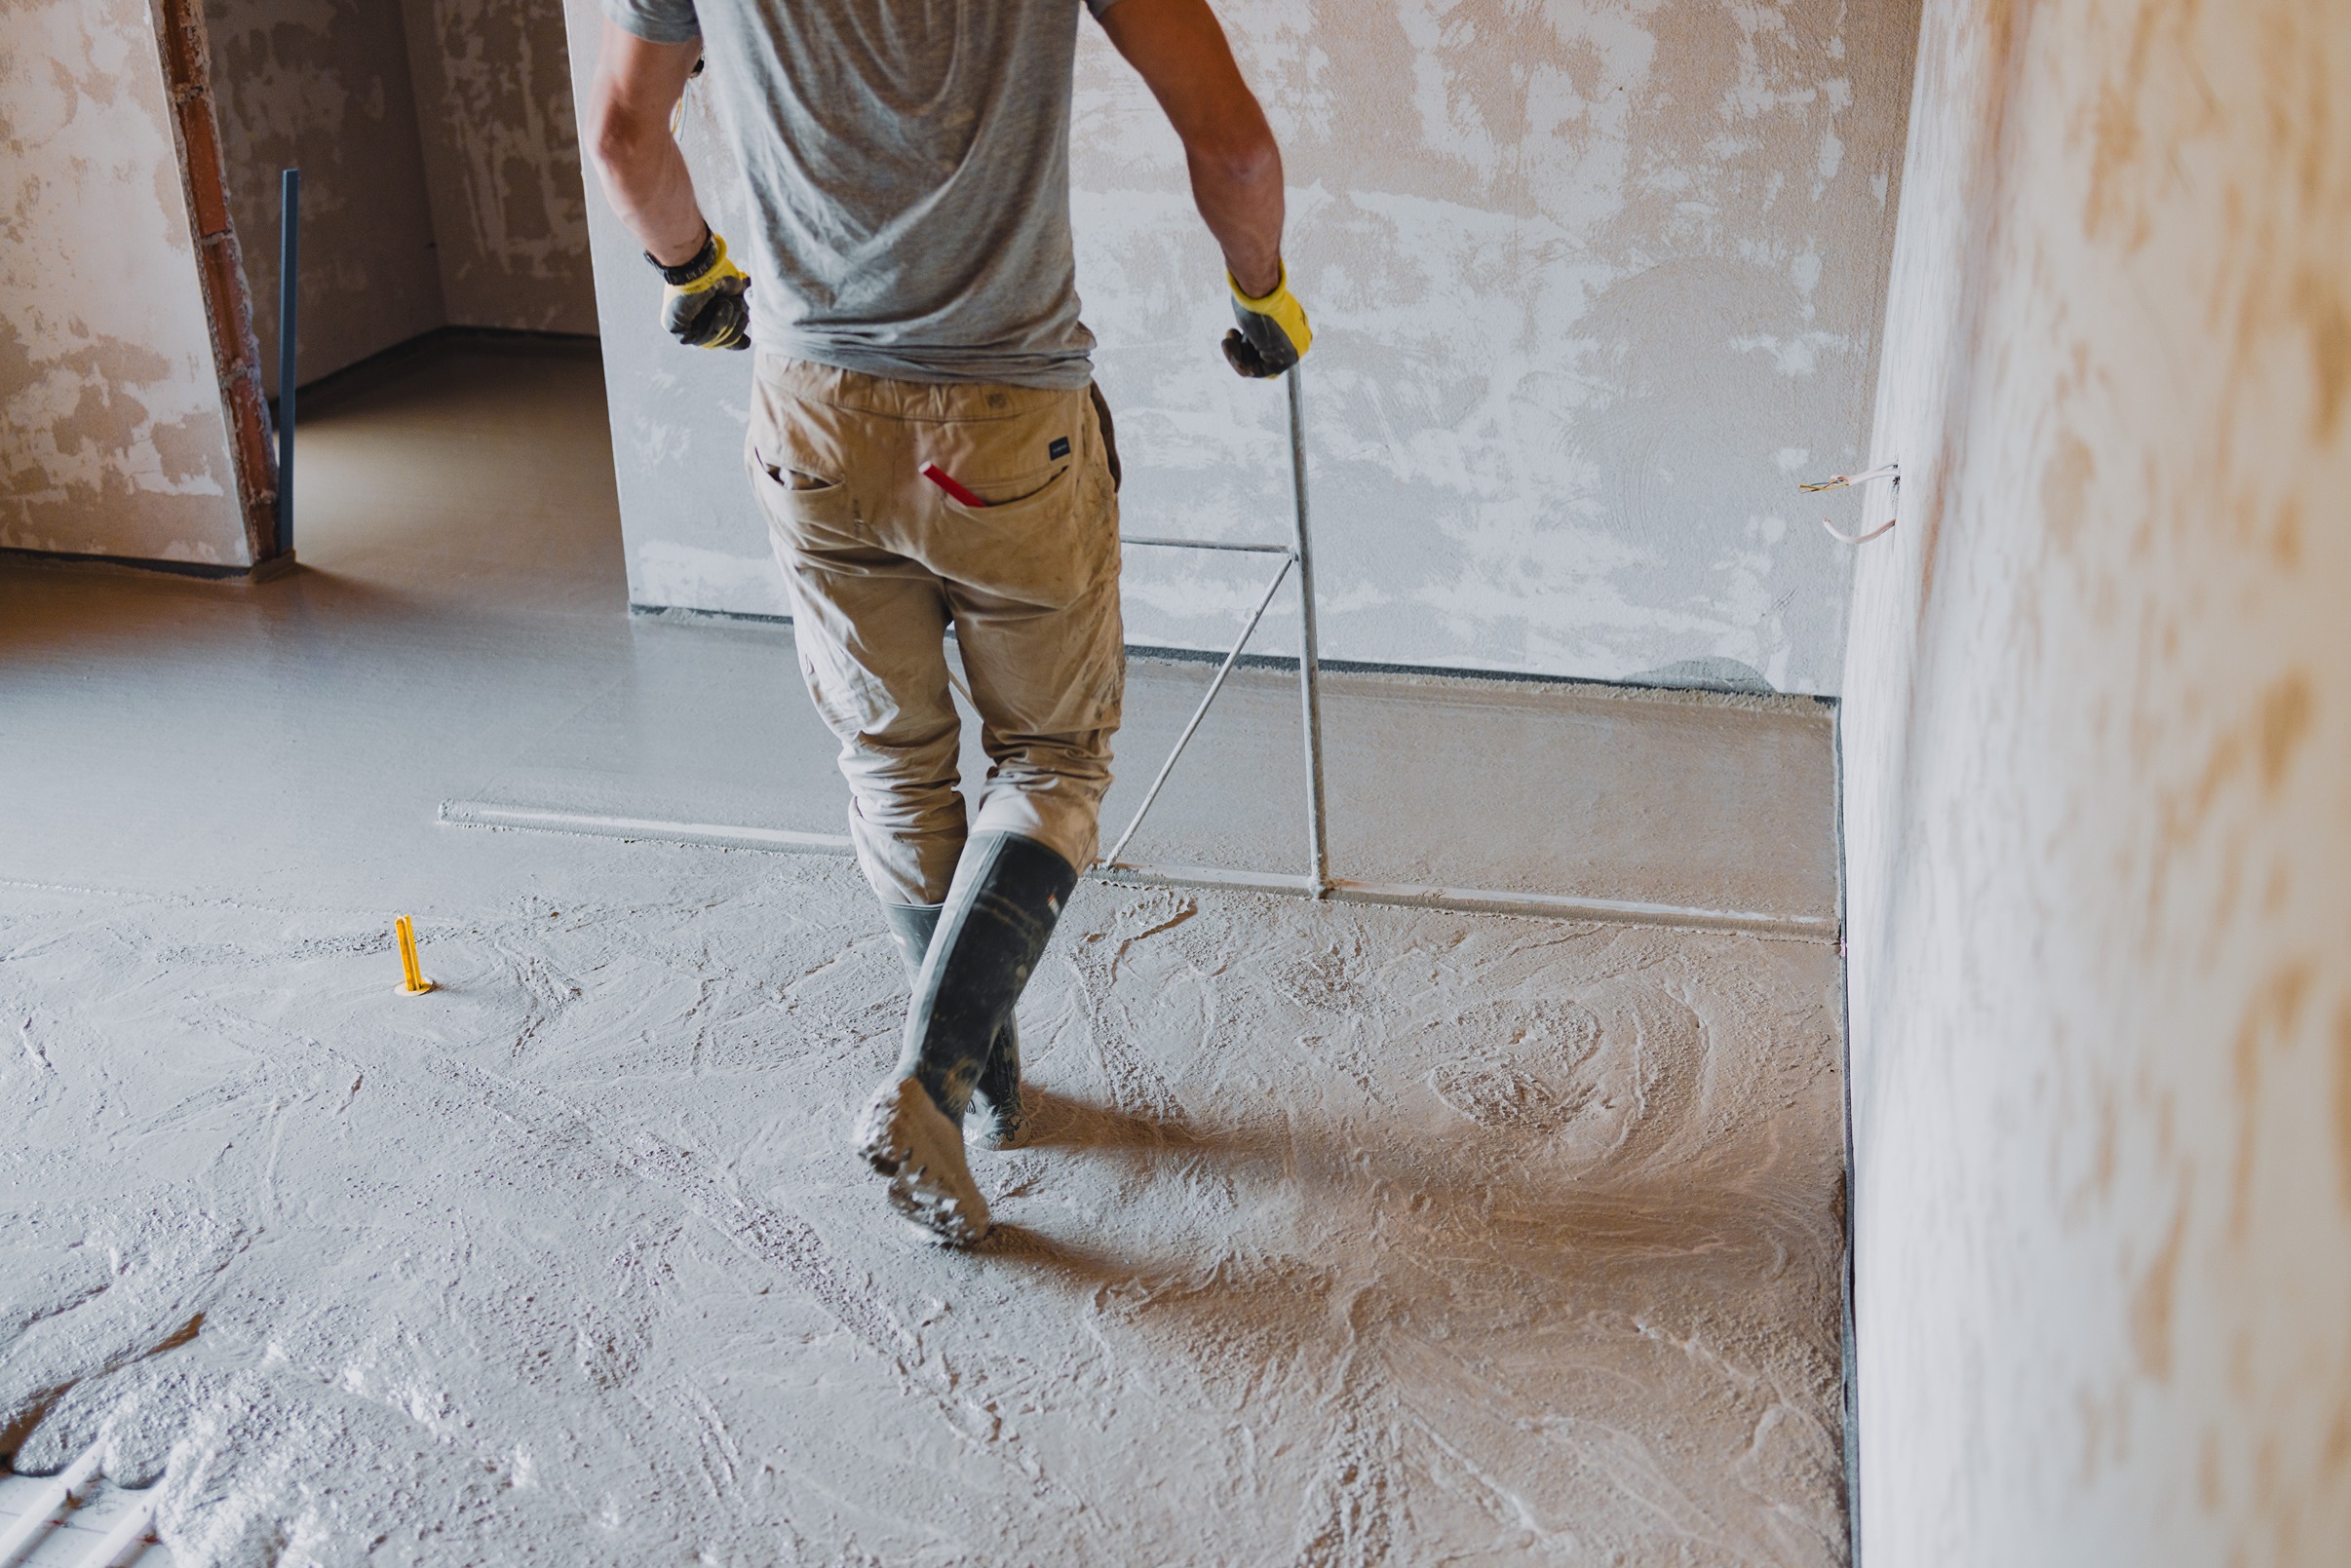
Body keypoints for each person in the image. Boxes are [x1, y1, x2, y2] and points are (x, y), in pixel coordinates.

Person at [586, 0, 1312, 1246]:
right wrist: (1264, 298)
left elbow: (623, 141)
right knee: (1053, 761)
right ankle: (933, 1084)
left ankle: (986, 1091)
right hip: (1005, 424)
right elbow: (1237, 152)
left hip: (811, 417)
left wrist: (694, 271)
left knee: (893, 767)